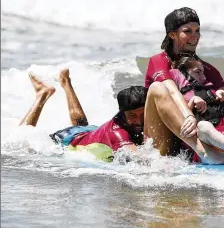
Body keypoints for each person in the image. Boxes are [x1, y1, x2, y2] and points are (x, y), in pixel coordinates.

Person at [144, 7, 224, 161]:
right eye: (187, 31)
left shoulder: (205, 67)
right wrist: (188, 115)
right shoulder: (159, 60)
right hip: (168, 137)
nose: (195, 36)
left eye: (197, 30)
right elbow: (173, 92)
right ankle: (203, 152)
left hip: (203, 130)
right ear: (172, 34)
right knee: (157, 88)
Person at [19, 68, 148, 161]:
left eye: (143, 115)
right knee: (22, 142)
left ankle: (66, 82)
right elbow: (136, 160)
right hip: (68, 139)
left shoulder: (134, 117)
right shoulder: (117, 131)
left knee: (82, 125)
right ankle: (42, 94)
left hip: (93, 133)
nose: (139, 121)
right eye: (132, 116)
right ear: (122, 113)